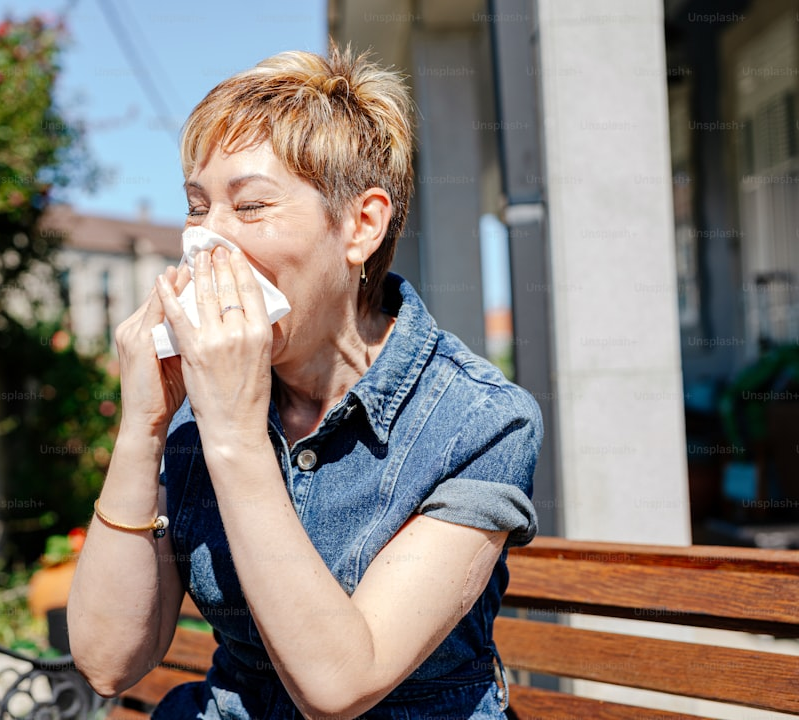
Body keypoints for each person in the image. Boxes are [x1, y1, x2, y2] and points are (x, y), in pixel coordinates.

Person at [68, 45, 542, 720]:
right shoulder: (200, 405)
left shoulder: (479, 422)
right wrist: (142, 427)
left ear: (361, 226)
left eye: (250, 206)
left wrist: (234, 434)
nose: (207, 241)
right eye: (198, 208)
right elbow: (107, 662)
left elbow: (340, 686)